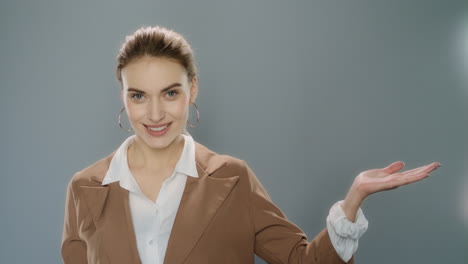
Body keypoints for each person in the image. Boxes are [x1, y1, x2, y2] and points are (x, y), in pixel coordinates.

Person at [60, 25, 441, 264]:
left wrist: (353, 200)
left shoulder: (232, 178)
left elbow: (301, 261)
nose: (155, 113)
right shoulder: (85, 188)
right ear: (123, 96)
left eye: (170, 92)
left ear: (193, 89)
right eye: (139, 96)